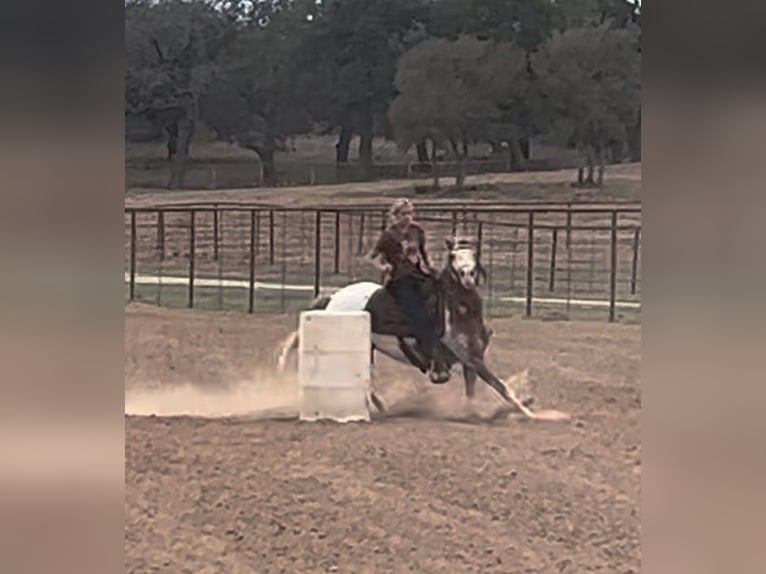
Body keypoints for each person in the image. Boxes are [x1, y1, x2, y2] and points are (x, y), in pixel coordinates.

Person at [366, 198, 449, 383]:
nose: (407, 218)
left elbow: (422, 253)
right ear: (394, 216)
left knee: (442, 296)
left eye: (410, 213)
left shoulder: (416, 231)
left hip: (419, 275)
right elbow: (371, 257)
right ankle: (428, 352)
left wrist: (430, 267)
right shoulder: (388, 236)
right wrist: (383, 267)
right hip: (399, 280)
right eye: (403, 214)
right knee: (417, 312)